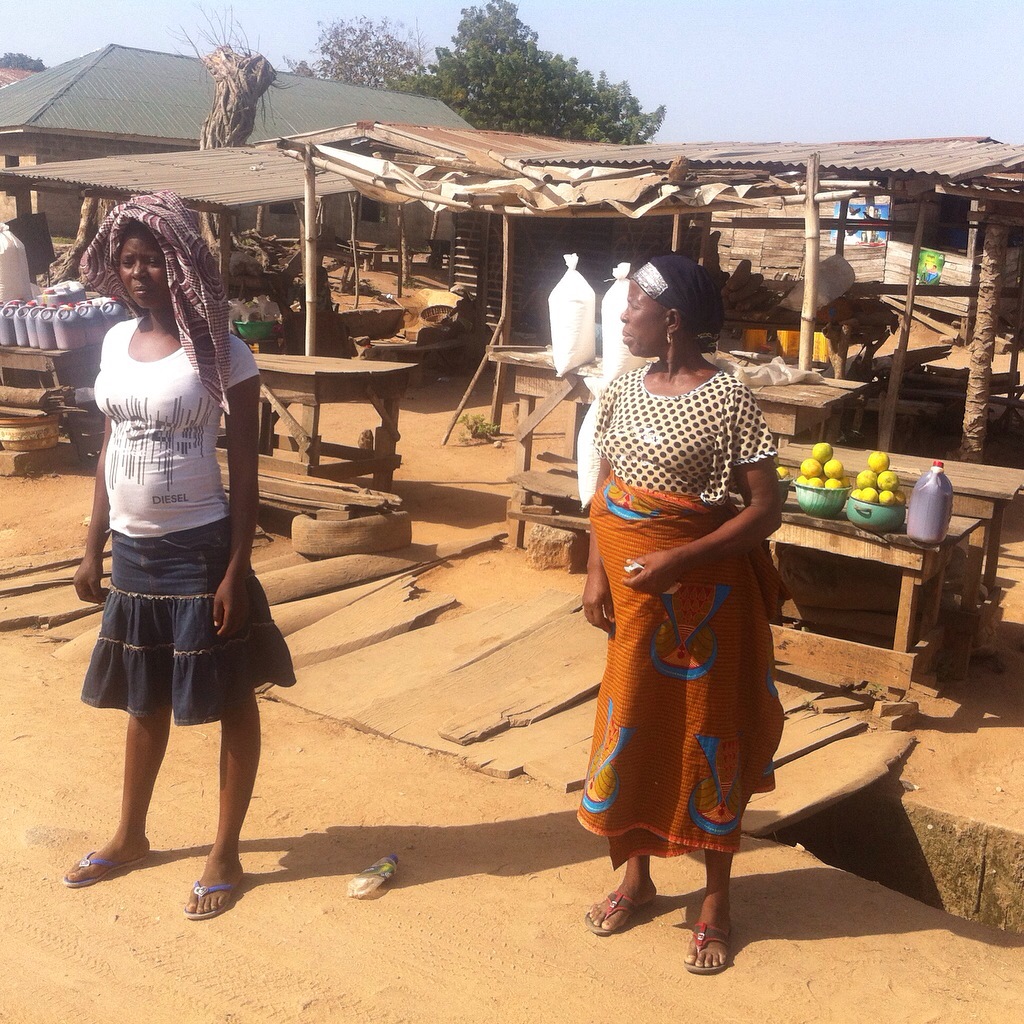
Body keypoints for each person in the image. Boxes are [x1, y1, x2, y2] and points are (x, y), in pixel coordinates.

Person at [62, 191, 295, 921]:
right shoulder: (112, 345)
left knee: (230, 699)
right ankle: (131, 835)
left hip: (200, 551)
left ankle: (224, 852)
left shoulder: (224, 351)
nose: (139, 273)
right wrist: (92, 544)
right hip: (133, 553)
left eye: (153, 259)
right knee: (143, 697)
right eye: (129, 261)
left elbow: (250, 471)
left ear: (182, 264)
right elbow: (109, 448)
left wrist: (234, 567)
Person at [579, 254, 784, 974]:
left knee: (705, 734)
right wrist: (596, 568)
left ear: (671, 322)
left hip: (704, 603)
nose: (623, 317)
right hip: (634, 601)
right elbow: (608, 483)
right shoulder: (624, 386)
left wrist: (681, 563)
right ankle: (635, 876)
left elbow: (766, 507)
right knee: (632, 722)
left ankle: (716, 901)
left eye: (632, 307)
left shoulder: (729, 399)